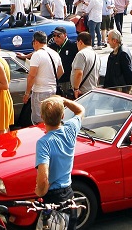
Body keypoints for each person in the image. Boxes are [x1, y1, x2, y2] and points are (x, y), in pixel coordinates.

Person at [35, 96, 85, 230]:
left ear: (42, 117)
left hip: (53, 199)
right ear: (63, 115)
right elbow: (80, 110)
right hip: (69, 195)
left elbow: (44, 178)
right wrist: (63, 100)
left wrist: (39, 192)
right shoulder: (70, 130)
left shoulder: (44, 143)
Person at [23, 31, 63, 124]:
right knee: (51, 119)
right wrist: (51, 79)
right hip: (53, 90)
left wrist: (27, 93)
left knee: (39, 120)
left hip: (40, 92)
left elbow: (32, 76)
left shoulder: (37, 54)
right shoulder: (54, 53)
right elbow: (61, 71)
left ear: (36, 42)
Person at [49, 27, 78, 98]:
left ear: (65, 35)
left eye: (58, 35)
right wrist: (26, 56)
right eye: (54, 36)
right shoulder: (52, 46)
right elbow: (42, 51)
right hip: (56, 79)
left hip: (68, 79)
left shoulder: (72, 46)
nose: (56, 38)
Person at [71, 32, 99, 99]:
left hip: (82, 92)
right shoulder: (96, 55)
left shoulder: (81, 54)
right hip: (92, 91)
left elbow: (79, 73)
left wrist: (76, 89)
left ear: (80, 42)